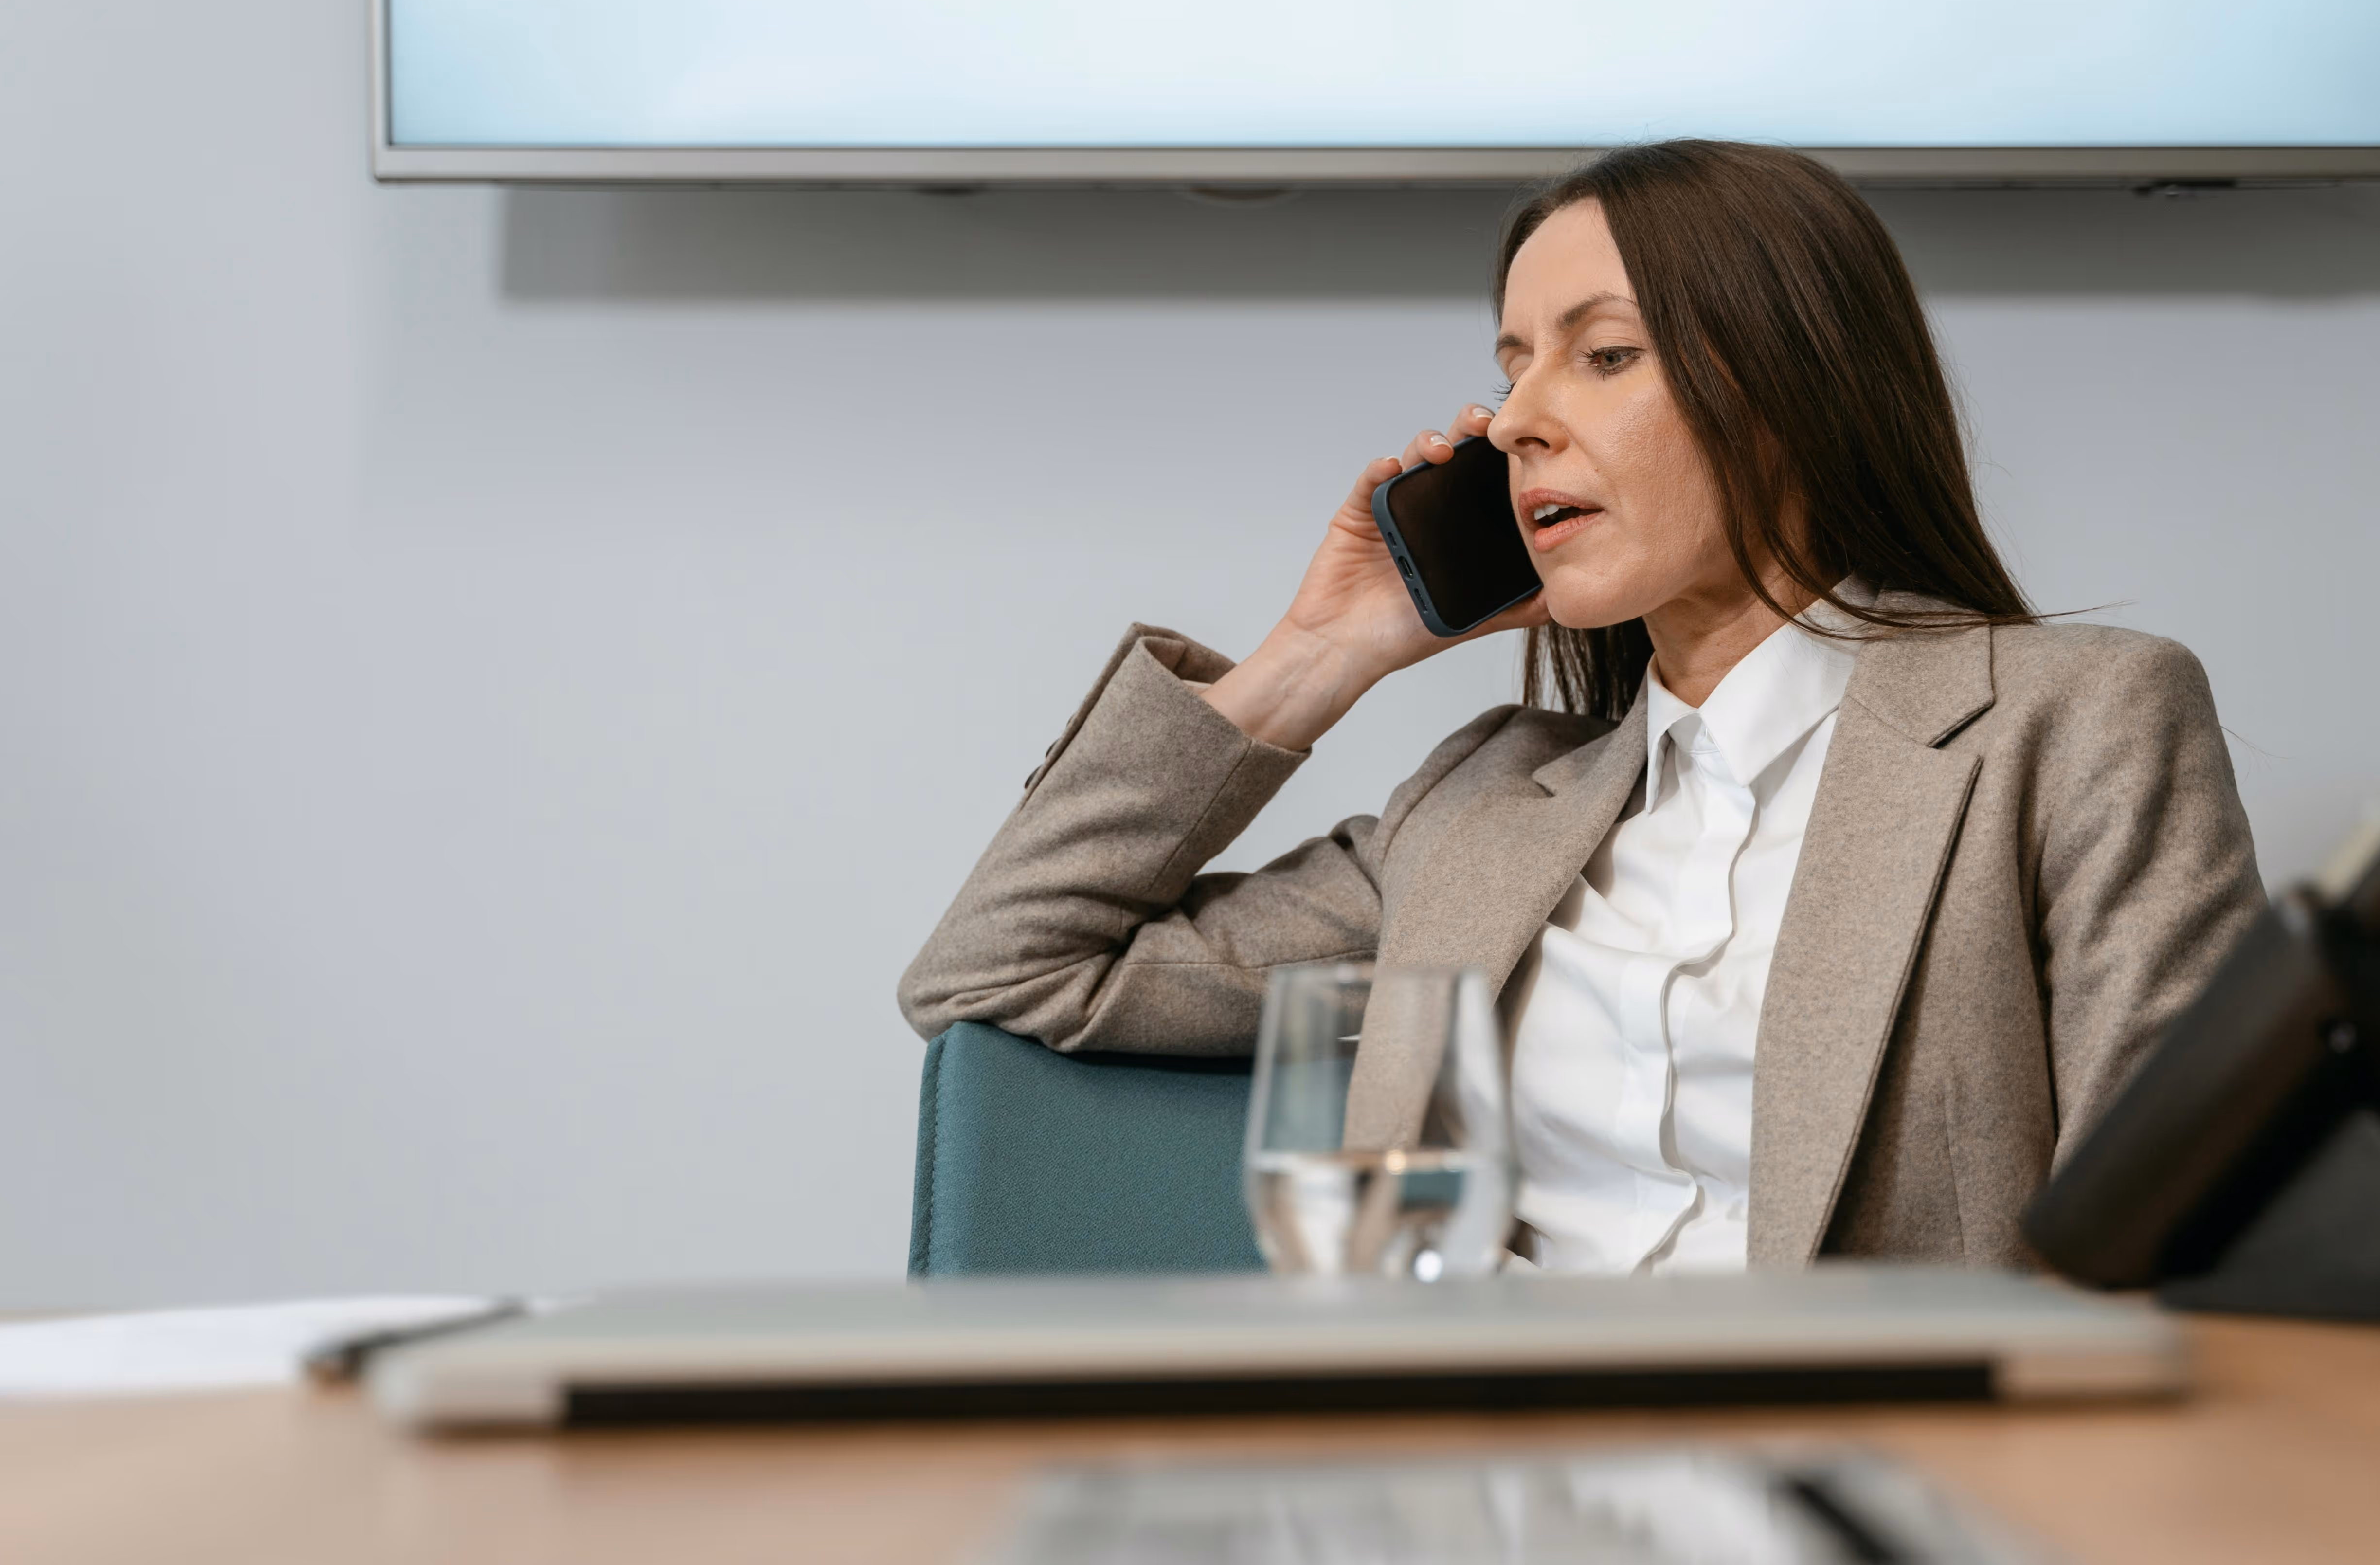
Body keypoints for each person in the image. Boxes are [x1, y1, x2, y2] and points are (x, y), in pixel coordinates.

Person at [899, 139, 2264, 1272]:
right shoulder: (1481, 802)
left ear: (1793, 385)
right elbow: (1002, 965)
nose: (1513, 422)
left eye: (1601, 356)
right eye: (1511, 367)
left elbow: (2171, 1237)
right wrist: (1318, 652)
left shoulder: (2071, 723)